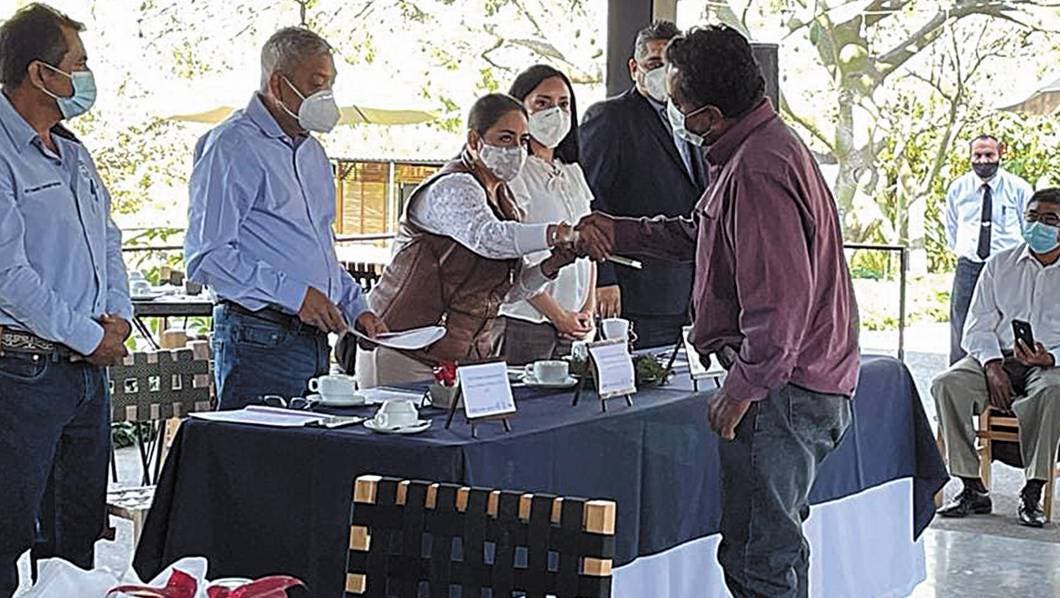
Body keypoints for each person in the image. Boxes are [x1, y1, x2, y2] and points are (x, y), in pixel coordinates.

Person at [576, 26, 859, 597]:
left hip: (782, 389)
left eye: (680, 102)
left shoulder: (757, 169)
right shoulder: (758, 148)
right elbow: (702, 233)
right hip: (794, 382)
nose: (675, 111)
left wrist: (743, 387)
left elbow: (779, 302)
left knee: (758, 557)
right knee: (774, 547)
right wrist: (621, 231)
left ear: (708, 113)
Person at [0, 4, 132, 595]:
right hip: (20, 371)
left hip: (84, 374)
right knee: (5, 538)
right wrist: (89, 335)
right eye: (78, 63)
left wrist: (118, 317)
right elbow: (8, 275)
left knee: (76, 544)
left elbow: (108, 240)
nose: (86, 75)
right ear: (40, 73)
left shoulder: (74, 151)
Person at [185, 27, 385, 410]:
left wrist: (356, 306)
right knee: (260, 449)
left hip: (311, 339)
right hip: (260, 338)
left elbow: (319, 251)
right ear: (278, 84)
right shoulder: (232, 145)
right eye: (317, 84)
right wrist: (295, 295)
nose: (327, 98)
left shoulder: (313, 153)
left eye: (331, 85)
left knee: (307, 448)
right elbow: (207, 257)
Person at [355, 93, 578, 388]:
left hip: (465, 357)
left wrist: (551, 266)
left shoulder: (504, 200)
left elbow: (505, 293)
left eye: (523, 140)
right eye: (505, 138)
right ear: (474, 140)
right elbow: (486, 237)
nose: (516, 150)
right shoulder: (453, 186)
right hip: (406, 349)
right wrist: (555, 233)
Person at [933, 188, 1060, 528]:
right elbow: (977, 325)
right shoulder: (1000, 264)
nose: (1038, 226)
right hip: (997, 357)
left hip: (1049, 365)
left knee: (1053, 392)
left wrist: (1050, 358)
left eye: (1050, 220)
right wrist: (992, 365)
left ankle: (1033, 490)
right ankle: (972, 486)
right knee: (947, 384)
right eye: (1032, 217)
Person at [579, 20, 706, 349]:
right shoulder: (610, 118)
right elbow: (590, 199)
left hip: (695, 292)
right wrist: (603, 277)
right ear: (634, 68)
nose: (663, 73)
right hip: (638, 291)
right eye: (654, 64)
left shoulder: (695, 119)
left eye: (672, 65)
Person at [491, 65, 596, 365]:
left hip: (575, 323)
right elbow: (512, 255)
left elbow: (588, 243)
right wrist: (558, 316)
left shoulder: (572, 171)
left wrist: (587, 308)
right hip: (526, 320)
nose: (555, 113)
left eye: (564, 104)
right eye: (543, 103)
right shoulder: (513, 172)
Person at [944, 135, 1033, 365]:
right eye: (977, 155)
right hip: (969, 265)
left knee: (1010, 320)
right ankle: (961, 371)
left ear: (1000, 154)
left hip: (1008, 267)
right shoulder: (958, 188)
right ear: (970, 156)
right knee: (962, 321)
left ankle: (1010, 370)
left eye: (989, 155)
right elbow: (951, 226)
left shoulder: (1018, 188)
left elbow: (1028, 227)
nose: (983, 160)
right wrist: (965, 252)